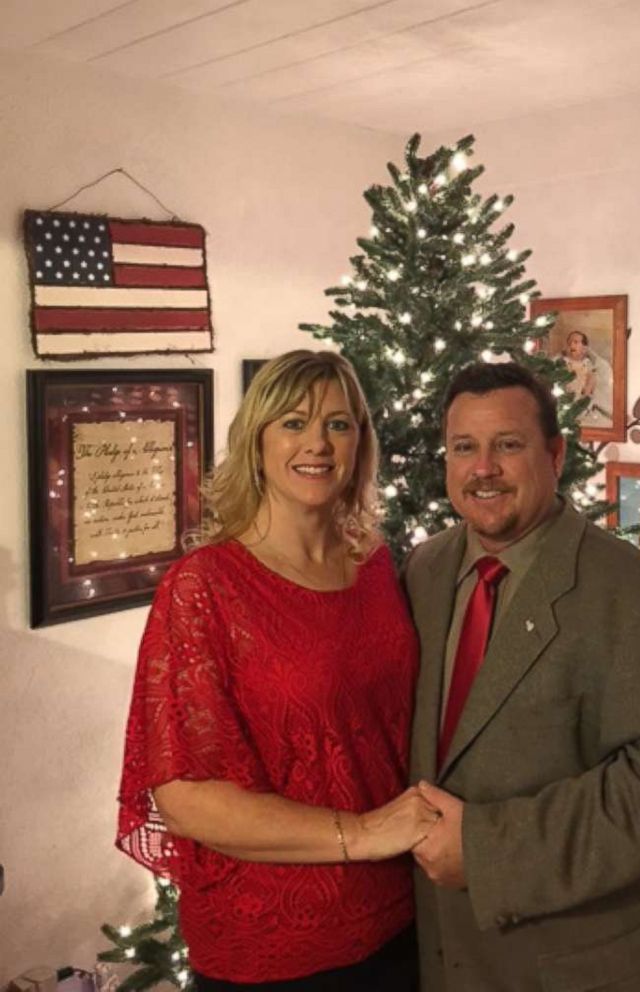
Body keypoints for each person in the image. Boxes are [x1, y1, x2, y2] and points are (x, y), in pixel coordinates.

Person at [116, 350, 439, 989]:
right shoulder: (203, 588)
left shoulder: (375, 567)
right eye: (293, 422)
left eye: (339, 425)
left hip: (401, 918)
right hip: (274, 946)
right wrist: (368, 831)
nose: (317, 443)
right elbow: (183, 800)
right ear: (256, 441)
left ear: (361, 443)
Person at [403, 362, 640, 992]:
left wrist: (488, 850)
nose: (483, 468)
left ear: (555, 453)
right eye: (463, 447)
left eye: (509, 445)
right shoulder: (423, 569)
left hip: (582, 967)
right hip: (447, 958)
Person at [558, 329, 613, 428]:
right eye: (569, 342)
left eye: (576, 342)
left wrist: (587, 391)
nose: (572, 345)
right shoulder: (564, 362)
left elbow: (591, 379)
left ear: (584, 348)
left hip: (581, 394)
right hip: (567, 394)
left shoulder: (587, 363)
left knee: (583, 407)